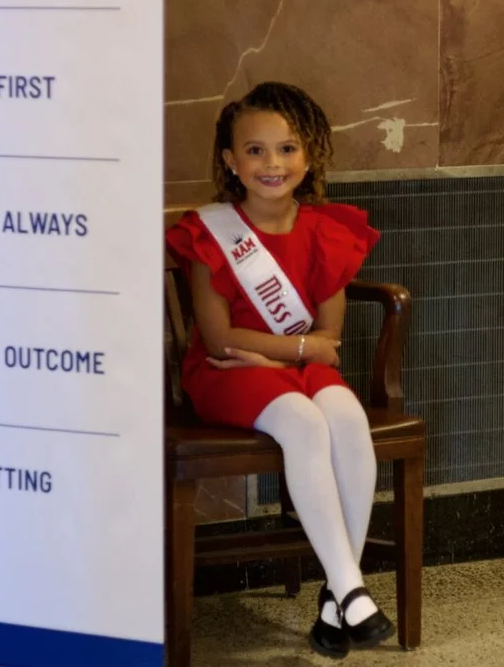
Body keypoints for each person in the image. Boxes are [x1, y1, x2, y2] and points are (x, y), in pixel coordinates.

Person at [165, 81, 395, 657]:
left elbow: (329, 337)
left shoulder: (326, 232)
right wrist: (297, 349)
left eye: (288, 148)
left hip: (276, 364)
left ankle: (337, 596)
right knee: (302, 420)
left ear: (309, 155)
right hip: (224, 374)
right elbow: (219, 339)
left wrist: (281, 351)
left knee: (345, 415)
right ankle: (351, 590)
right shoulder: (209, 231)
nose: (273, 163)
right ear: (230, 160)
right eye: (256, 150)